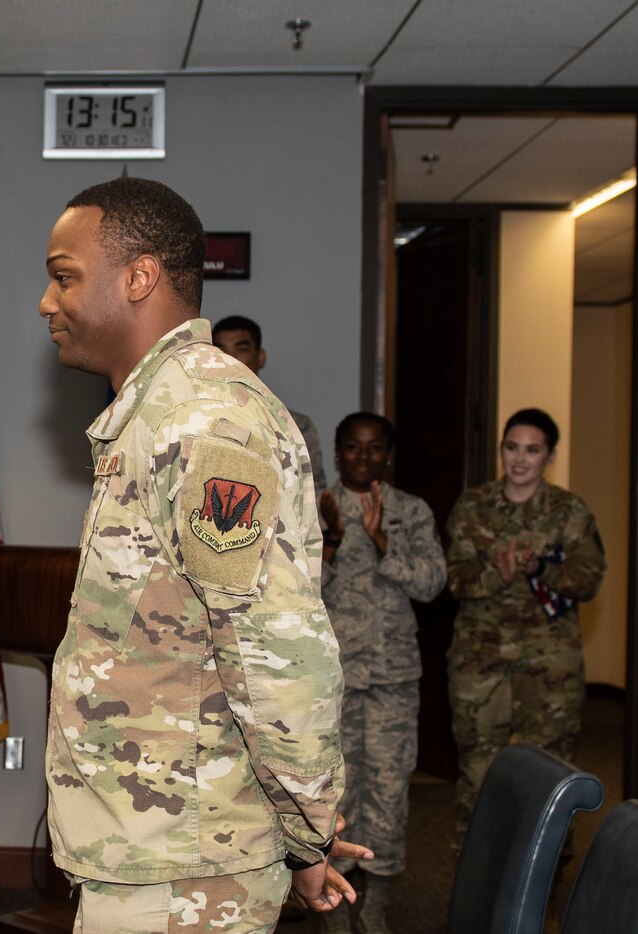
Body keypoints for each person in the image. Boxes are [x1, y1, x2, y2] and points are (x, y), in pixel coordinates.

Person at [39, 176, 353, 932]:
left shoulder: (204, 419)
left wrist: (307, 829)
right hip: (157, 845)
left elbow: (273, 650)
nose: (48, 304)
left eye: (63, 278)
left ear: (139, 276)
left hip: (186, 865)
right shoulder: (156, 411)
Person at [444, 408, 605, 837]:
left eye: (532, 450)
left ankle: (547, 889)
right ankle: (476, 885)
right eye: (511, 447)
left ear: (549, 456)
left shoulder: (568, 511)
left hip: (548, 664)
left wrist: (541, 568)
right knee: (479, 772)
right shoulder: (473, 507)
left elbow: (589, 580)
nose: (520, 459)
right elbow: (455, 580)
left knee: (550, 777)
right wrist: (501, 573)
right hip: (481, 662)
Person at [315, 413, 445, 934]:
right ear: (339, 450)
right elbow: (291, 590)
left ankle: (377, 902)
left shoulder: (410, 511)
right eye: (352, 447)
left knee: (389, 790)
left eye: (374, 449)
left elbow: (433, 582)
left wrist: (383, 543)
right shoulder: (316, 505)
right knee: (335, 792)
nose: (362, 458)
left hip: (393, 678)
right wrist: (335, 540)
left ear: (388, 455)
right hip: (334, 677)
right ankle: (333, 903)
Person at [211, 315, 328, 494]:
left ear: (260, 357)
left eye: (241, 349)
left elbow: (312, 494)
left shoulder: (294, 426)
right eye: (221, 350)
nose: (230, 358)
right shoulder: (200, 419)